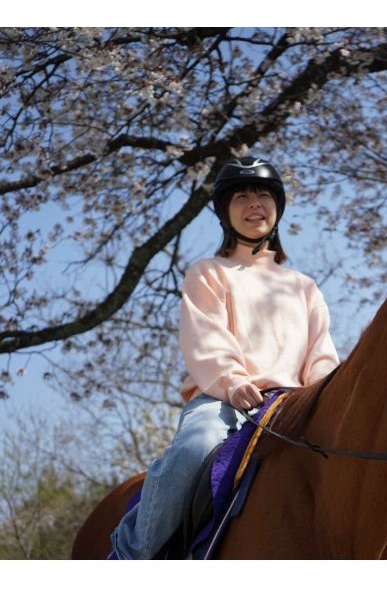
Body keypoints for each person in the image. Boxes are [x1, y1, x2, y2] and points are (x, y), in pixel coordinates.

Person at [109, 156, 341, 559]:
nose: (255, 204)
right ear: (224, 212)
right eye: (242, 196)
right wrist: (234, 382)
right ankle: (132, 555)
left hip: (293, 406)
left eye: (264, 195)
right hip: (225, 401)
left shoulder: (303, 287)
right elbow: (207, 341)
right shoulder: (209, 272)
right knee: (193, 447)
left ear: (277, 208)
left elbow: (321, 354)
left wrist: (328, 395)